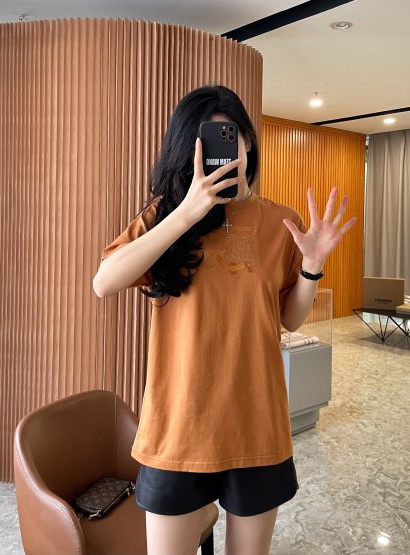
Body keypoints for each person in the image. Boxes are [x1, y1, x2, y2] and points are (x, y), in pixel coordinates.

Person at [93, 85, 357, 555]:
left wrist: (312, 266)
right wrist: (185, 214)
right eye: (205, 139)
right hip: (179, 425)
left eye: (228, 135)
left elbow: (291, 320)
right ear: (187, 148)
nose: (220, 149)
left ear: (247, 140)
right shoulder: (164, 215)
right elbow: (104, 282)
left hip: (256, 422)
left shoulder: (281, 222)